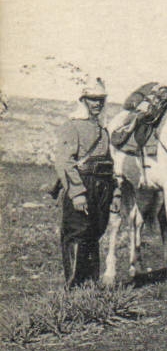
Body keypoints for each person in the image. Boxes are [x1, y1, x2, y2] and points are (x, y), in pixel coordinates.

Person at [53, 81, 115, 287]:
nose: (97, 104)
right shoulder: (72, 126)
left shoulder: (102, 128)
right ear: (83, 100)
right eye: (92, 99)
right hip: (83, 183)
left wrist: (115, 195)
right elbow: (65, 162)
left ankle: (90, 286)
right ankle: (74, 287)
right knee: (77, 233)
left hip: (103, 185)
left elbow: (109, 161)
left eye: (101, 100)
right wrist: (77, 193)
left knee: (95, 233)